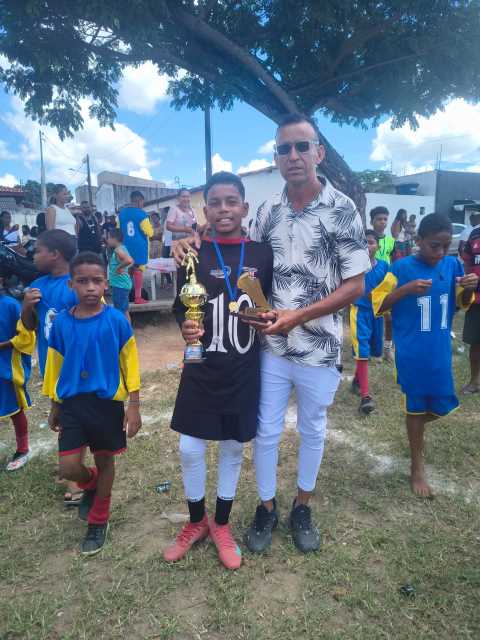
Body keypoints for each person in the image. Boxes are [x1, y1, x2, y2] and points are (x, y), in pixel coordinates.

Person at [174, 113, 369, 554]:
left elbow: (356, 285)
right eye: (284, 149)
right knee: (265, 430)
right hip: (271, 348)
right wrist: (192, 238)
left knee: (312, 428)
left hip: (319, 345)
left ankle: (302, 506)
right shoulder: (266, 212)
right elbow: (235, 245)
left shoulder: (342, 210)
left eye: (302, 146)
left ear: (319, 153)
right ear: (277, 158)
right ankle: (266, 508)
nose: (293, 155)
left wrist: (298, 316)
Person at [164, 171, 273, 570]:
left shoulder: (262, 253)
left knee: (232, 447)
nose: (224, 209)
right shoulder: (191, 252)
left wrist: (263, 313)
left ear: (244, 207)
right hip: (200, 364)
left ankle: (222, 524)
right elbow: (181, 306)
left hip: (243, 366)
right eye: (215, 202)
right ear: (204, 210)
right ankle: (196, 522)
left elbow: (267, 305)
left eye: (231, 202)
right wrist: (185, 326)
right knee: (189, 448)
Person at [43, 251, 142, 555]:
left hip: (106, 405)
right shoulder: (61, 323)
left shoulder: (116, 321)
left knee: (105, 460)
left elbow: (130, 363)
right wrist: (55, 405)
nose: (90, 287)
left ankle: (99, 519)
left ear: (106, 284)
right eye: (82, 281)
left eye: (96, 281)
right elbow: (55, 365)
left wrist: (134, 405)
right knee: (69, 467)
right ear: (71, 284)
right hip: (72, 404)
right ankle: (92, 484)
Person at [372, 214, 478, 497]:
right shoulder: (401, 268)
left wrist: (468, 288)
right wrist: (405, 290)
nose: (440, 252)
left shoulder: (452, 264)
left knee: (443, 403)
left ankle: (414, 427)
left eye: (445, 245)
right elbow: (378, 304)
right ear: (418, 241)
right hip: (412, 352)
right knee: (416, 407)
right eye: (434, 245)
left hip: (439, 350)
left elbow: (461, 304)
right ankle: (417, 467)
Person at [21, 230, 81, 504]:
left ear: (55, 254)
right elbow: (31, 326)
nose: (34, 256)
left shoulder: (76, 285)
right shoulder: (37, 286)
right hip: (51, 366)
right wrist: (26, 307)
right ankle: (68, 466)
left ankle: (75, 479)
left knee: (72, 419)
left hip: (75, 367)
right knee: (61, 417)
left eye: (38, 251)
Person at [350, 230, 388, 415]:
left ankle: (357, 380)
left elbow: (389, 288)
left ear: (378, 246)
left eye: (371, 242)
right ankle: (365, 396)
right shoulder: (353, 266)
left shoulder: (384, 266)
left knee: (373, 350)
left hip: (377, 314)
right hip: (359, 311)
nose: (367, 246)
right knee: (362, 349)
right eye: (363, 242)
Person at [0, 281, 36, 471]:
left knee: (14, 407)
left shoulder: (11, 305)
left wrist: (3, 345)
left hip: (7, 366)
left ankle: (22, 449)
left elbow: (27, 336)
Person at [119, 191, 154, 304]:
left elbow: (119, 230)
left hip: (125, 247)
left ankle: (124, 297)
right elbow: (149, 232)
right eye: (143, 202)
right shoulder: (141, 214)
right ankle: (138, 297)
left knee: (127, 272)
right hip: (139, 247)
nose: (143, 204)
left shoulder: (122, 213)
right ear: (139, 201)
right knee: (138, 271)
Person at [370, 206, 396, 363]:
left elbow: (393, 261)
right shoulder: (367, 238)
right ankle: (371, 348)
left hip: (384, 283)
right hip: (369, 281)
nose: (382, 222)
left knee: (388, 317)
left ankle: (387, 347)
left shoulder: (391, 241)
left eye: (385, 219)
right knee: (369, 316)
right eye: (379, 219)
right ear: (372, 221)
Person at [459, 210, 480, 394]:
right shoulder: (475, 234)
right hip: (477, 299)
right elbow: (467, 262)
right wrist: (468, 282)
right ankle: (475, 382)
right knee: (475, 342)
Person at [107, 229, 133, 321]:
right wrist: (123, 268)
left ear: (115, 239)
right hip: (122, 284)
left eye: (109, 237)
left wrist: (118, 268)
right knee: (124, 310)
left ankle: (124, 328)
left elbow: (129, 260)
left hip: (120, 285)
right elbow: (132, 261)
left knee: (120, 311)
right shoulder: (123, 248)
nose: (107, 240)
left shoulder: (118, 250)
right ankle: (127, 329)